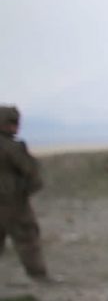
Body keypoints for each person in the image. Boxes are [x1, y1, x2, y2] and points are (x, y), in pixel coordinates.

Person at [0, 105, 50, 282]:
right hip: (13, 201)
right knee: (27, 238)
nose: (16, 126)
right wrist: (28, 188)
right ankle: (38, 275)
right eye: (12, 123)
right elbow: (31, 171)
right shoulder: (12, 147)